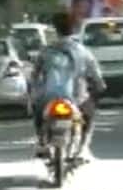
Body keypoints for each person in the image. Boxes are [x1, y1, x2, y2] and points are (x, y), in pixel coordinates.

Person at [32, 12, 105, 161]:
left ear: (55, 29)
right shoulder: (82, 51)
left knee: (38, 110)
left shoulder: (46, 51)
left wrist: (34, 90)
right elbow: (95, 74)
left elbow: (35, 75)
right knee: (89, 114)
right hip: (76, 98)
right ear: (74, 29)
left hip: (49, 97)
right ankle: (83, 148)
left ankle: (41, 142)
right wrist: (99, 85)